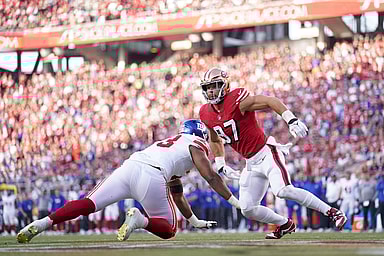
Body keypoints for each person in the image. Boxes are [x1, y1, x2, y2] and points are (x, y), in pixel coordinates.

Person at [17, 119, 240, 243]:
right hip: (152, 175)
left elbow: (177, 191)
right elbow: (210, 176)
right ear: (200, 134)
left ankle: (41, 223)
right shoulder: (196, 144)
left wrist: (193, 220)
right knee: (169, 229)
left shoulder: (170, 143)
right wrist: (235, 201)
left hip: (131, 165)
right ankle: (140, 221)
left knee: (88, 204)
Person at [198, 67, 347, 239]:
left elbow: (269, 101)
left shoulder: (237, 100)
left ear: (225, 86)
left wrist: (291, 119)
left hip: (267, 152)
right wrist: (221, 164)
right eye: (208, 87)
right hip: (251, 163)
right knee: (247, 208)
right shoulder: (205, 113)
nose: (211, 90)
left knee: (283, 190)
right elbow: (215, 139)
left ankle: (332, 212)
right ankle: (285, 224)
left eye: (215, 85)